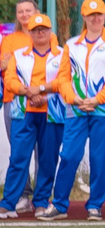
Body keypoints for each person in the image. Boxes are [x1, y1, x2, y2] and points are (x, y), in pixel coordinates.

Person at [50, 0, 105, 220]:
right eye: (91, 15)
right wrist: (72, 98)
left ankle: (95, 205)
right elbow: (63, 77)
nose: (96, 18)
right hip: (76, 109)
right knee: (69, 156)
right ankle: (59, 205)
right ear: (83, 17)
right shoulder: (72, 44)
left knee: (98, 158)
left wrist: (98, 99)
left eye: (99, 14)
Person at [3, 14, 63, 217]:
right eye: (36, 30)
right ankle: (9, 202)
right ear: (29, 32)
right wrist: (28, 92)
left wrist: (42, 93)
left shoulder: (62, 55)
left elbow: (65, 80)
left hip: (52, 112)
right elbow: (10, 80)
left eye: (43, 29)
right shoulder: (18, 55)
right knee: (18, 157)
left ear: (50, 31)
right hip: (23, 111)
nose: (40, 33)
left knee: (47, 159)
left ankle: (41, 202)